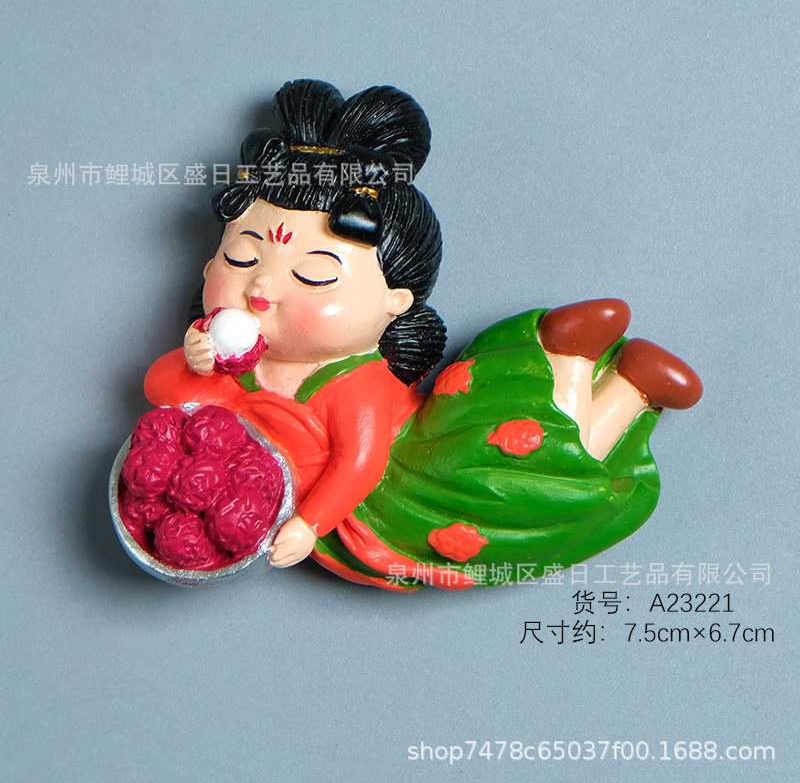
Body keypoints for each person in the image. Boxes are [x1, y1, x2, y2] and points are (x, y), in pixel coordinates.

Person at [144, 80, 702, 590]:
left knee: (518, 481)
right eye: (241, 258)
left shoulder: (354, 383)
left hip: (402, 494)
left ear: (395, 301)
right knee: (519, 447)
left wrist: (310, 524)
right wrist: (195, 360)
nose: (262, 286)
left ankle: (618, 384)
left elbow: (359, 464)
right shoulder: (235, 357)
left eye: (313, 274)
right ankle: (595, 368)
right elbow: (164, 393)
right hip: (313, 485)